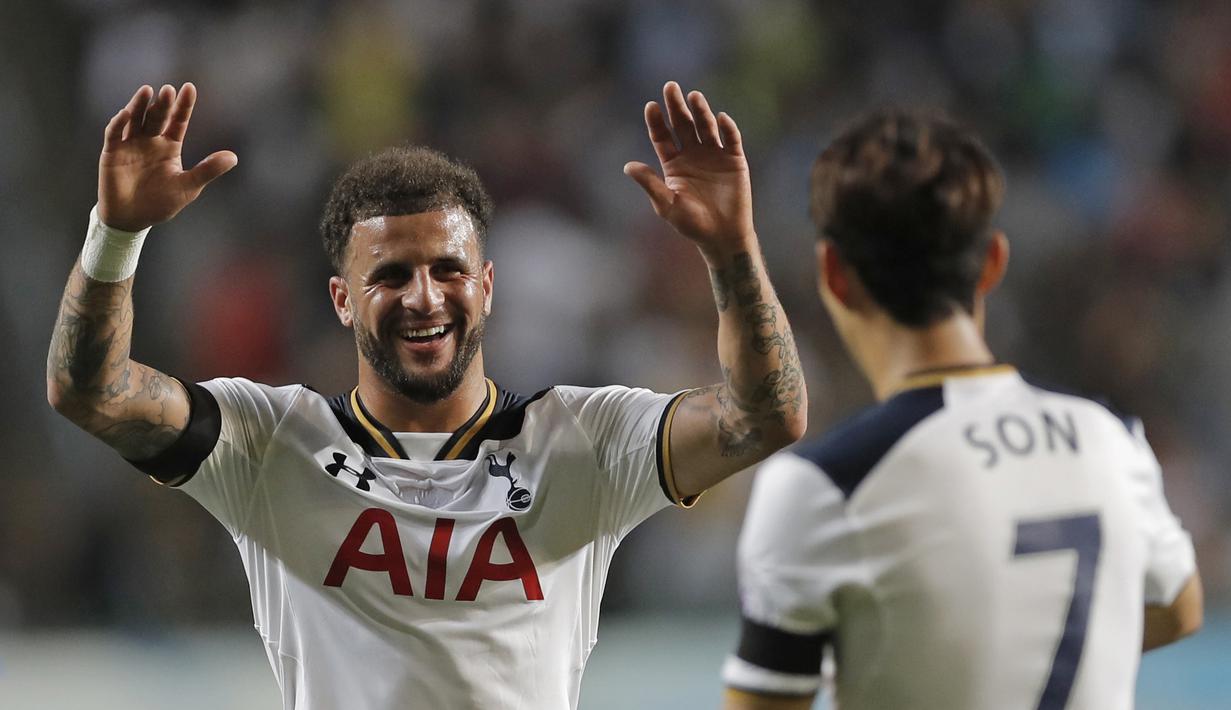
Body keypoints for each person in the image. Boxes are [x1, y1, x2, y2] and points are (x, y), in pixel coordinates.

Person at [46, 80, 806, 709]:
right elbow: (94, 394)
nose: (424, 297)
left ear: (487, 286)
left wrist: (731, 248)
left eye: (448, 269)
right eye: (391, 275)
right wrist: (116, 236)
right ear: (342, 300)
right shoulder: (269, 441)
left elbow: (766, 416)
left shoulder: (585, 438)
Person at [721, 110, 1202, 710]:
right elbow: (1178, 608)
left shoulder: (826, 484)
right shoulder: (1113, 439)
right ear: (993, 262)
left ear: (833, 274)